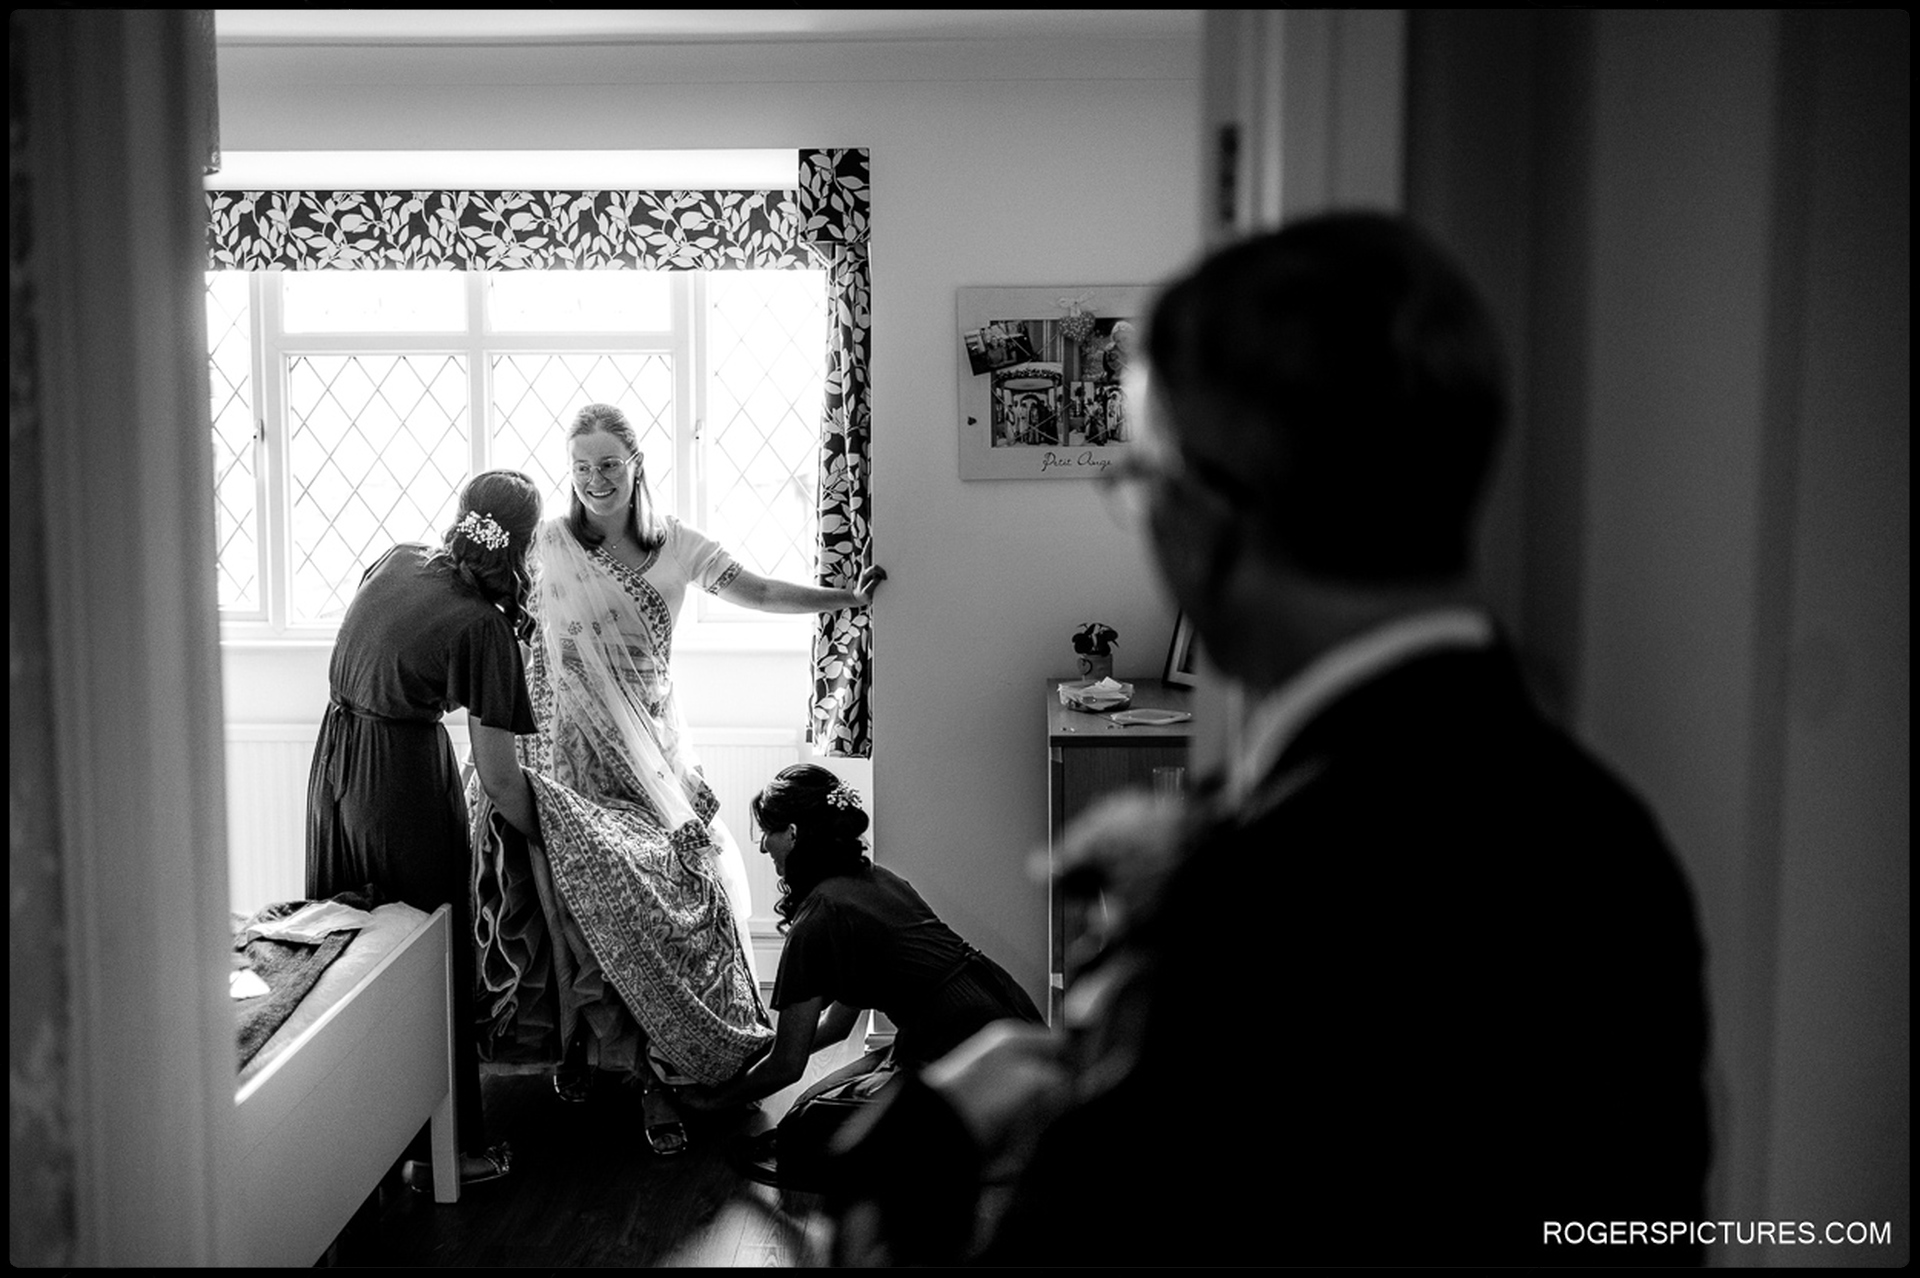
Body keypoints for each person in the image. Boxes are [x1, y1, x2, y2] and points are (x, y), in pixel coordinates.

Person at [825, 212, 1713, 1266]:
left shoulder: (1231, 943)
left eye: (1138, 480)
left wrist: (932, 1136)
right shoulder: (1609, 835)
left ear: (1203, 522)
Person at [468, 403, 886, 1156]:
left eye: (610, 464)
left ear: (636, 467)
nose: (596, 480)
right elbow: (504, 618)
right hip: (569, 758)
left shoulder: (676, 546)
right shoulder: (551, 543)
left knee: (677, 898)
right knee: (584, 905)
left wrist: (842, 600)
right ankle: (595, 1060)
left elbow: (755, 591)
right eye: (583, 466)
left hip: (654, 758)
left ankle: (667, 1079)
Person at [306, 469, 546, 1188]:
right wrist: (551, 840)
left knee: (349, 946)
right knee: (428, 956)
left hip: (334, 761)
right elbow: (501, 781)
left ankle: (352, 1139)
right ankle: (449, 1154)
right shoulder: (483, 626)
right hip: (402, 779)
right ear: (524, 547)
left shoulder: (401, 556)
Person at [672, 764, 1042, 1188]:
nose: (762, 848)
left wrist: (714, 1102)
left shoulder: (818, 918)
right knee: (817, 1112)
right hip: (1007, 1018)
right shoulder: (877, 879)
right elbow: (837, 1024)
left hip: (960, 1045)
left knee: (801, 1131)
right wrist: (753, 1062)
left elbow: (789, 1066)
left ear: (792, 834)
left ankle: (965, 1140)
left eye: (767, 833)